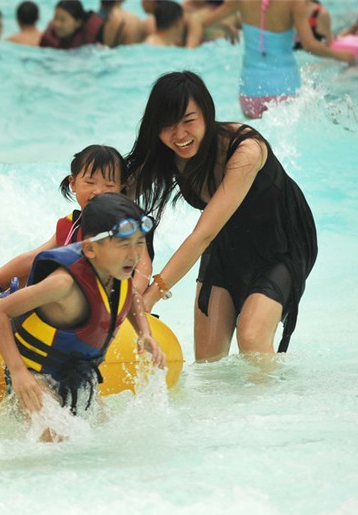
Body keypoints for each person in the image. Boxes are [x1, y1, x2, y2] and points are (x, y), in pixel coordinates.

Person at [126, 71, 319, 361]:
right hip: (226, 242)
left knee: (252, 337)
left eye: (189, 121)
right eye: (167, 124)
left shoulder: (245, 150)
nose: (179, 135)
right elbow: (115, 198)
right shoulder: (164, 152)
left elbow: (202, 234)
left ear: (206, 113)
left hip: (282, 243)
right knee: (208, 362)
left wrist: (149, 298)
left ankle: (277, 406)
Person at [0, 193, 166, 441]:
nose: (134, 254)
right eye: (124, 245)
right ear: (90, 249)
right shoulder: (63, 284)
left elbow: (132, 296)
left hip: (78, 375)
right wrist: (18, 373)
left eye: (139, 243)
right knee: (57, 439)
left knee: (108, 435)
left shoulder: (117, 272)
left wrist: (144, 333)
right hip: (36, 374)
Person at [0, 145, 153, 296]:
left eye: (109, 185)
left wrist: (130, 301)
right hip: (76, 306)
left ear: (120, 188)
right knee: (43, 266)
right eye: (90, 182)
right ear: (73, 183)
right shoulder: (71, 225)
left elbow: (144, 265)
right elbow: (33, 258)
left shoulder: (127, 226)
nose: (98, 191)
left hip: (115, 307)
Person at [201, 0, 354, 119]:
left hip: (250, 89)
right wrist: (342, 56)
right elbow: (310, 45)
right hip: (283, 88)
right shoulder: (295, 2)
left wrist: (225, 27)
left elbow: (205, 23)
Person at [40, 0, 104, 48]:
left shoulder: (92, 41)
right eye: (55, 18)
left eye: (63, 20)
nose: (57, 24)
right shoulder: (51, 36)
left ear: (78, 23)